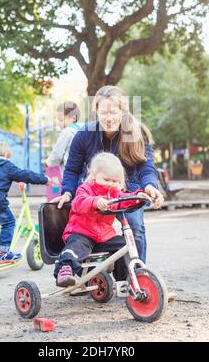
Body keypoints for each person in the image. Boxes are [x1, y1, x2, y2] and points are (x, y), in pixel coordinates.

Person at [51, 85, 164, 264]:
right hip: (94, 193)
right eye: (104, 113)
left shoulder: (136, 133)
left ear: (123, 111)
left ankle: (139, 275)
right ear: (96, 111)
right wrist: (67, 192)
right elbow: (72, 169)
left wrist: (150, 185)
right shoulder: (84, 135)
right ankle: (84, 272)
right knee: (87, 231)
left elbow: (146, 166)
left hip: (125, 192)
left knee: (135, 228)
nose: (109, 118)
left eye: (114, 112)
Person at [54, 152, 150, 287]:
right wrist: (95, 201)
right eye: (107, 179)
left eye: (115, 181)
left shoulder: (115, 193)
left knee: (124, 246)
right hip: (82, 232)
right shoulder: (85, 189)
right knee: (76, 247)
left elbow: (123, 200)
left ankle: (124, 281)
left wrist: (137, 196)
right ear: (93, 176)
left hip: (103, 236)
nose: (111, 184)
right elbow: (79, 202)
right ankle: (64, 270)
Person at [0, 142, 51, 267]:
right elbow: (25, 174)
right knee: (9, 222)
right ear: (6, 154)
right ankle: (3, 253)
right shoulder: (6, 165)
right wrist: (45, 179)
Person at [46, 101, 81, 171]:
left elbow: (57, 154)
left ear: (73, 118)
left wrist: (48, 163)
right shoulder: (79, 131)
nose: (59, 123)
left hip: (67, 171)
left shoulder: (67, 132)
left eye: (61, 120)